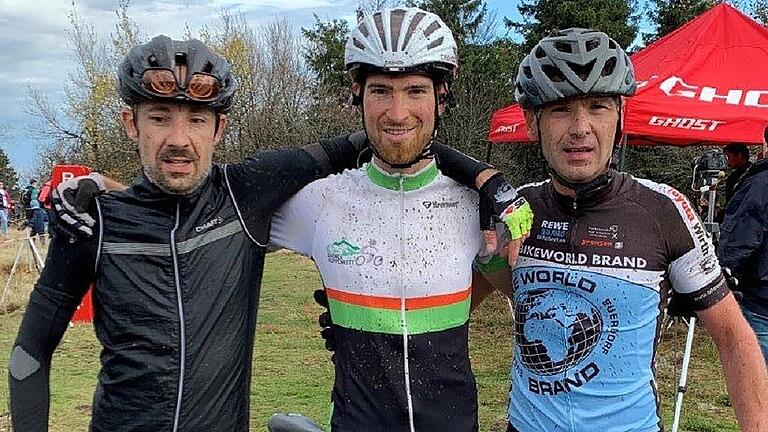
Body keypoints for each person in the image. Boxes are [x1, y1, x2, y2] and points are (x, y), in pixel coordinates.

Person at [9, 35, 529, 431]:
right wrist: (91, 183)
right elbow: (29, 354)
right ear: (130, 123)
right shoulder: (93, 221)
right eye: (159, 117)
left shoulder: (244, 195)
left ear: (220, 129)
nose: (178, 138)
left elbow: (382, 137)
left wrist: (485, 179)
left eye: (196, 120)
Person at [471, 28, 768, 432]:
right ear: (532, 122)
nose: (580, 127)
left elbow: (734, 338)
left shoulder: (663, 209)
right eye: (560, 109)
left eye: (597, 107)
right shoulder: (517, 209)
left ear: (621, 117)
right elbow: (455, 310)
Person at [270, 8, 531, 431]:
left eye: (414, 91)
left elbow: (525, 298)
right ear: (357, 93)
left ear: (441, 97)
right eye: (380, 91)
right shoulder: (319, 201)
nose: (397, 112)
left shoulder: (474, 205)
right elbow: (210, 216)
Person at [718, 150, 768, 364]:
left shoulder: (760, 184)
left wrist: (722, 274)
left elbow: (741, 238)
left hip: (761, 298)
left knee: (758, 377)